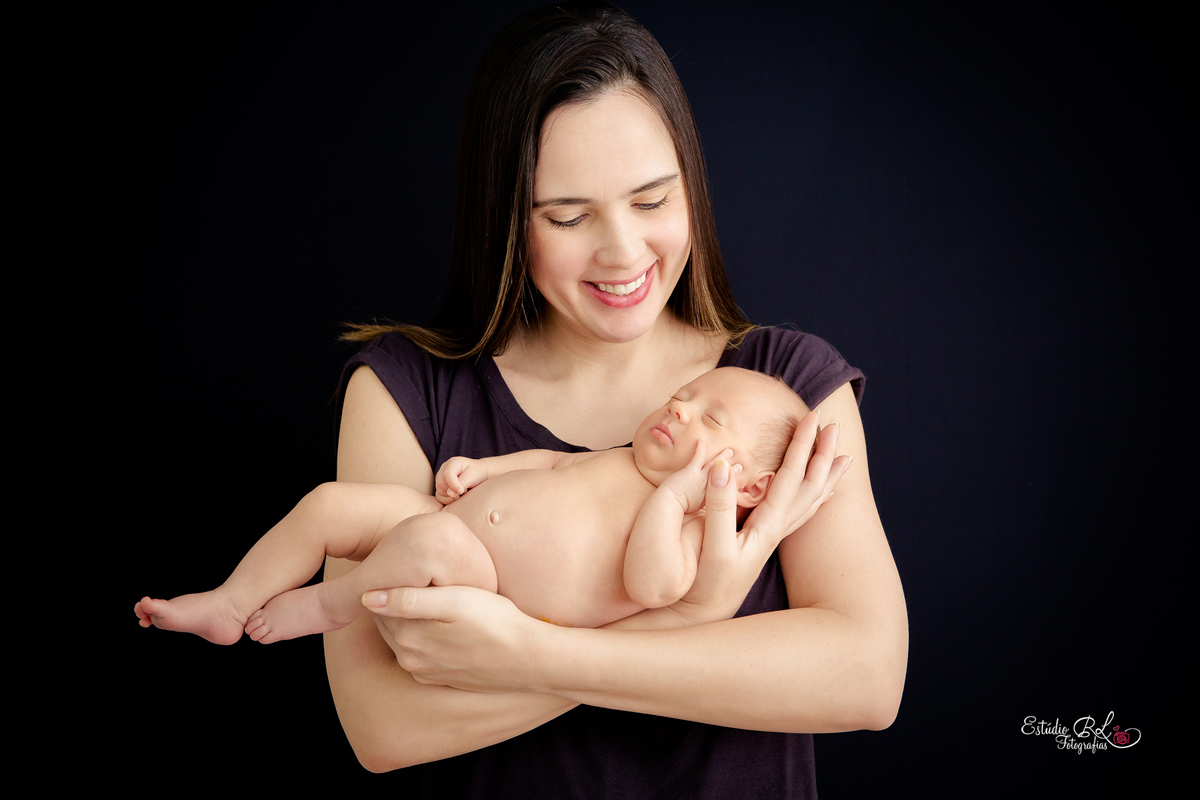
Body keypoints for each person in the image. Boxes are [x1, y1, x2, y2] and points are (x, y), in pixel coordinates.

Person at [327, 2, 907, 796]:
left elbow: (866, 676)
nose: (625, 253)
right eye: (568, 216)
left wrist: (530, 656)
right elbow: (382, 726)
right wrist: (694, 619)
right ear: (506, 220)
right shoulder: (406, 393)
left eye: (653, 201)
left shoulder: (787, 386)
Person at [136, 367, 831, 642]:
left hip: (483, 580)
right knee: (328, 503)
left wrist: (681, 496)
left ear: (747, 489)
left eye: (711, 419)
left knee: (428, 548)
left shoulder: (686, 535)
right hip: (444, 519)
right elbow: (554, 464)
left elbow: (653, 586)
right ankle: (232, 601)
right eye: (686, 395)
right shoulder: (623, 458)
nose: (681, 409)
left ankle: (324, 607)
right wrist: (488, 467)